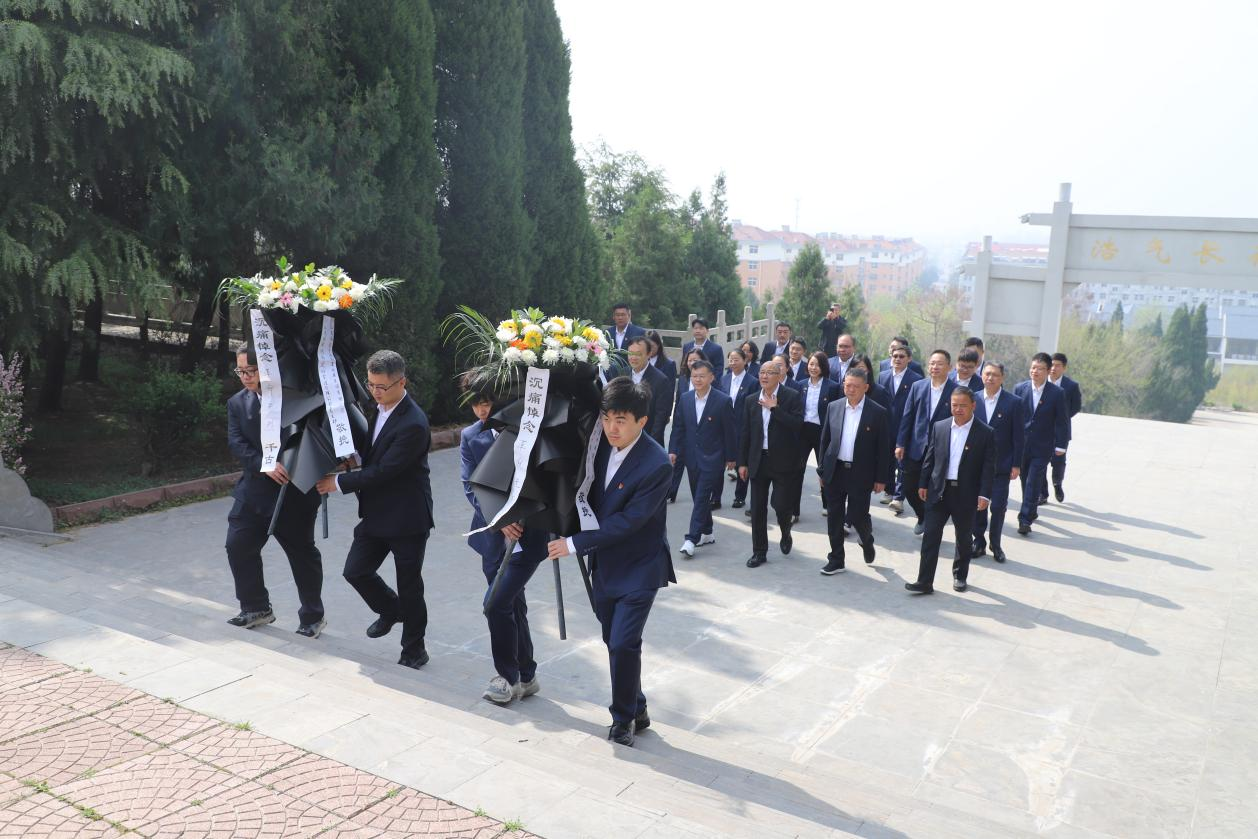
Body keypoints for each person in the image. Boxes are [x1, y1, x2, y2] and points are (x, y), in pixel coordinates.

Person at [546, 378, 675, 748]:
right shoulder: (599, 445)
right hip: (605, 565)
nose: (611, 428)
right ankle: (638, 706)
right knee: (614, 641)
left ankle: (622, 719)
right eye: (607, 419)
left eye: (621, 420)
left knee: (622, 642)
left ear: (642, 422)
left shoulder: (656, 464)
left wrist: (574, 543)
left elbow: (629, 521)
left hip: (640, 567)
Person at [317, 350, 434, 669]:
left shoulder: (413, 423)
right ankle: (391, 609)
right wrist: (355, 458)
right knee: (355, 571)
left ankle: (414, 649)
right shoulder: (379, 408)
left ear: (401, 382)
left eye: (382, 387)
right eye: (370, 385)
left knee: (410, 586)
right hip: (376, 513)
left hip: (407, 517)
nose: (375, 392)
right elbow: (375, 455)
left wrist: (338, 482)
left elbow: (385, 471)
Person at [224, 344, 325, 637]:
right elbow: (236, 442)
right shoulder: (237, 403)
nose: (245, 376)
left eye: (251, 370)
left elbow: (313, 437)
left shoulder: (295, 399)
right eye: (240, 371)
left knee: (301, 553)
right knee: (238, 545)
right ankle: (256, 607)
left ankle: (312, 616)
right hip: (254, 491)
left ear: (268, 369)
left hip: (293, 492)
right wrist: (264, 463)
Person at [459, 383, 546, 704]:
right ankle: (527, 675)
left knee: (495, 603)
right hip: (492, 538)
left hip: (528, 536)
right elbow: (470, 485)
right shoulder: (471, 436)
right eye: (475, 404)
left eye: (487, 403)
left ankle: (507, 677)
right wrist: (499, 519)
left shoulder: (527, 431)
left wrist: (519, 517)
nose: (482, 410)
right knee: (511, 603)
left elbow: (544, 481)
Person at [905, 387, 995, 594]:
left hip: (966, 494)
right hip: (939, 491)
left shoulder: (985, 433)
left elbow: (988, 467)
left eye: (963, 405)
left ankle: (960, 576)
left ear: (973, 406)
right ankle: (924, 581)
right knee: (930, 537)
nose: (958, 409)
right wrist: (923, 483)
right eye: (955, 405)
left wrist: (984, 494)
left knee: (963, 538)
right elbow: (930, 457)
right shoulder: (940, 427)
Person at [816, 367, 889, 575]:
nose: (851, 389)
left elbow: (883, 449)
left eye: (856, 386)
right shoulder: (834, 407)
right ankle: (836, 559)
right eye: (847, 385)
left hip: (861, 473)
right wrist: (822, 470)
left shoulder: (877, 412)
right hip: (836, 470)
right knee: (834, 516)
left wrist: (881, 478)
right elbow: (825, 441)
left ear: (865, 387)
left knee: (858, 516)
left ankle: (866, 539)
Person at [738, 359, 803, 568]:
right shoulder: (751, 400)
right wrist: (742, 462)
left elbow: (798, 425)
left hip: (783, 462)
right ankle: (759, 552)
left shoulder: (791, 396)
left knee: (781, 506)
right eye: (762, 372)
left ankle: (785, 530)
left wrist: (776, 409)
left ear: (780, 376)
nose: (764, 376)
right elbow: (745, 433)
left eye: (770, 372)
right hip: (758, 460)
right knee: (757, 509)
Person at [669, 361, 737, 559]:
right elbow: (678, 427)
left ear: (711, 377)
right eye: (694, 376)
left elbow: (730, 431)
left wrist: (731, 457)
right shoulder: (685, 398)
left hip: (714, 457)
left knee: (701, 497)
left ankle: (691, 539)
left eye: (701, 376)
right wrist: (673, 450)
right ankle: (707, 532)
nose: (697, 379)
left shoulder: (723, 401)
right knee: (698, 495)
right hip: (691, 456)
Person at [895, 349, 957, 535]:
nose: (934, 367)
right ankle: (922, 515)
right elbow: (907, 416)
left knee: (934, 489)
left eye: (939, 364)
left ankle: (931, 523)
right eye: (932, 363)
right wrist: (900, 443)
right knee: (909, 486)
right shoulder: (918, 386)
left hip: (941, 450)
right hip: (916, 446)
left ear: (949, 367)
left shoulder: (956, 391)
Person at [1013, 352, 1069, 536]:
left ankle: (1024, 519)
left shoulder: (1057, 393)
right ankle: (1031, 510)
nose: (1035, 372)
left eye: (1040, 369)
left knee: (1033, 480)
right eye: (1033, 368)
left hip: (1043, 446)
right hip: (1022, 445)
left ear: (1048, 371)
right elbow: (1013, 417)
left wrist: (1061, 445)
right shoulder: (1020, 389)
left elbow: (1062, 421)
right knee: (1025, 480)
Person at [972, 361, 1023, 564]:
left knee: (999, 506)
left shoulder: (1014, 402)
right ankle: (978, 541)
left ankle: (996, 543)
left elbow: (1019, 436)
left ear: (1002, 378)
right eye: (987, 374)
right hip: (977, 464)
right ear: (981, 375)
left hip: (1001, 465)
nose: (990, 378)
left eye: (994, 375)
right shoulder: (973, 398)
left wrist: (1016, 464)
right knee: (978, 504)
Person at [793, 351, 839, 522]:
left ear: (823, 367)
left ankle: (827, 504)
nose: (813, 367)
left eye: (817, 365)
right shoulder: (800, 385)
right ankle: (794, 510)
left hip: (822, 432)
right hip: (803, 431)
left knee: (824, 470)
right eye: (811, 364)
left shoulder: (832, 387)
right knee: (797, 470)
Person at [878, 344, 923, 509]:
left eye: (901, 356)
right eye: (895, 356)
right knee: (887, 460)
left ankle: (899, 497)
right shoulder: (883, 376)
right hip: (886, 424)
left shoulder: (916, 380)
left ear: (909, 359)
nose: (897, 359)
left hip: (906, 427)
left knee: (902, 462)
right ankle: (889, 490)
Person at [668, 348, 709, 504]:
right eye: (689, 360)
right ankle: (671, 491)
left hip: (702, 435)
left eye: (695, 360)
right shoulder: (684, 379)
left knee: (698, 475)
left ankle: (708, 499)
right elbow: (679, 404)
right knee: (677, 461)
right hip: (684, 429)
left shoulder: (709, 381)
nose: (691, 363)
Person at [721, 349, 760, 510]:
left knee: (742, 462)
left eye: (736, 359)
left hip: (743, 426)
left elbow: (754, 405)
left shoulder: (753, 382)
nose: (733, 362)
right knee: (720, 461)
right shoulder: (724, 379)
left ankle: (740, 496)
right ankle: (715, 497)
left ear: (745, 361)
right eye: (730, 359)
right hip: (724, 426)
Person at [1043, 352, 1082, 503]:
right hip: (1041, 429)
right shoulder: (1041, 382)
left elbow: (1076, 406)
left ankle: (1057, 484)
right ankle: (1042, 493)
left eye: (1057, 366)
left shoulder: (1071, 386)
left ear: (1064, 368)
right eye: (1051, 365)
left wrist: (1061, 419)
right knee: (1039, 462)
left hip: (1061, 430)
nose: (1053, 368)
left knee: (1058, 461)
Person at [624, 336, 671, 447]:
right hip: (624, 438)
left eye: (638, 354)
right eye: (630, 353)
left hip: (648, 439)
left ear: (649, 354)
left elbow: (661, 417)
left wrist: (649, 443)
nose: (633, 357)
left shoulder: (661, 380)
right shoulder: (622, 373)